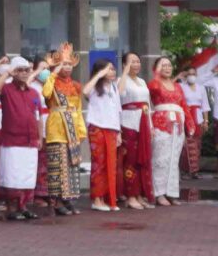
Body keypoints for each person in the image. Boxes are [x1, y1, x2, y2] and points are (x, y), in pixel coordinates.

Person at [0, 56, 45, 220]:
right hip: (12, 140)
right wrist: (7, 73)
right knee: (12, 176)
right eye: (19, 70)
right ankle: (12, 208)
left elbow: (38, 117)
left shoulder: (34, 92)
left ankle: (24, 206)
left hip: (31, 141)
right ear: (14, 72)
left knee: (27, 176)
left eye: (26, 70)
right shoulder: (7, 89)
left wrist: (40, 137)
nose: (23, 73)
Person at [39, 52, 87, 215]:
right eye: (63, 64)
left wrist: (81, 131)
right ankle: (55, 201)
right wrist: (53, 73)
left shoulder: (76, 85)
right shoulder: (51, 82)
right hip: (57, 128)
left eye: (69, 64)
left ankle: (68, 199)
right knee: (56, 167)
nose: (66, 67)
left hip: (72, 129)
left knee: (71, 166)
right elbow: (45, 94)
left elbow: (78, 109)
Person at [115, 52, 154, 209]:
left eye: (138, 61)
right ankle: (130, 195)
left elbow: (148, 105)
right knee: (130, 160)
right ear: (124, 64)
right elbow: (120, 94)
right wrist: (124, 72)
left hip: (143, 122)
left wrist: (150, 125)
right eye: (132, 62)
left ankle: (140, 194)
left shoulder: (143, 81)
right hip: (128, 123)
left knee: (142, 160)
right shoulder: (120, 80)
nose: (136, 64)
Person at [148, 56, 189, 207]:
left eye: (169, 65)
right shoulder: (155, 84)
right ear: (157, 68)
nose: (167, 68)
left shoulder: (177, 86)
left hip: (177, 125)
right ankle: (158, 193)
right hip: (161, 124)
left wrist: (189, 124)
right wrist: (156, 74)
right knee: (160, 159)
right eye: (163, 65)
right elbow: (152, 88)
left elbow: (184, 105)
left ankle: (171, 193)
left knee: (173, 160)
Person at [82, 62, 123, 210]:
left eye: (113, 69)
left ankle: (109, 198)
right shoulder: (95, 87)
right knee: (99, 164)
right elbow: (85, 91)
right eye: (109, 69)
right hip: (97, 127)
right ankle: (97, 200)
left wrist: (118, 132)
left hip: (112, 129)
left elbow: (118, 111)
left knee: (110, 165)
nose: (112, 72)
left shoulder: (113, 87)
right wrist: (99, 75)